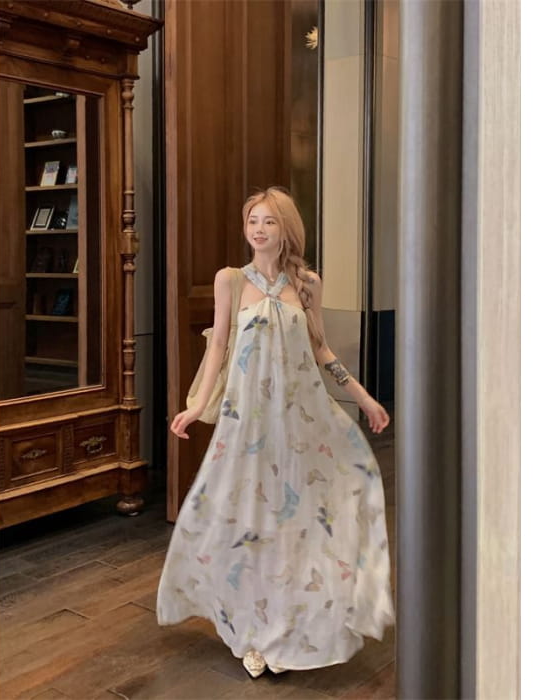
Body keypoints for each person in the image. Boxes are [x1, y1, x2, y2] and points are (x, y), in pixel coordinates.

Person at [156, 187, 395, 678]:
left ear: (286, 228)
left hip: (300, 420)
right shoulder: (229, 280)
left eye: (268, 221)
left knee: (297, 518)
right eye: (252, 221)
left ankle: (286, 625)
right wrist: (196, 405)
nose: (258, 230)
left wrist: (365, 398)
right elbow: (218, 347)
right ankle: (251, 629)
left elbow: (321, 349)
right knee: (243, 518)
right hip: (246, 421)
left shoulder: (307, 283)